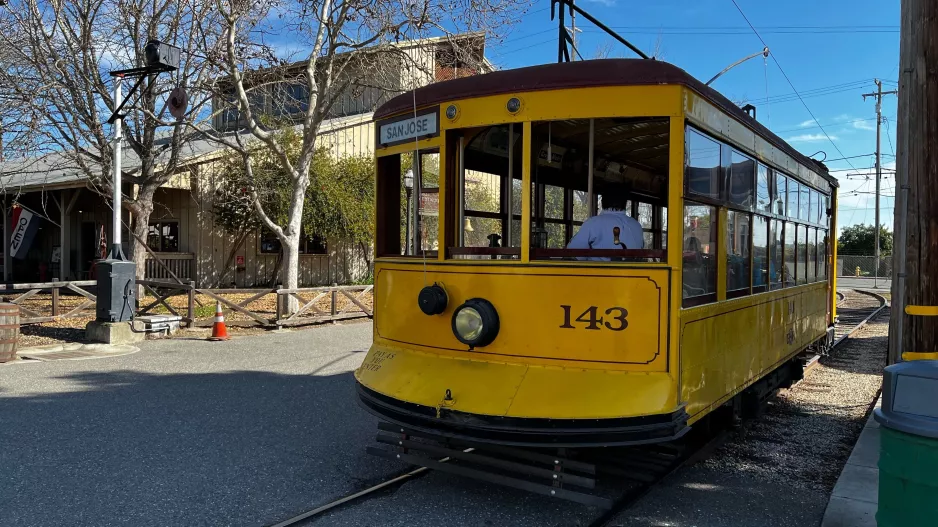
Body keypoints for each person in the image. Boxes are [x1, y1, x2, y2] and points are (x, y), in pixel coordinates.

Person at [566, 191, 644, 260]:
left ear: (602, 201)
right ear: (625, 203)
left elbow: (572, 255)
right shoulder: (637, 226)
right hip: (634, 275)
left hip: (600, 275)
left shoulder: (593, 223)